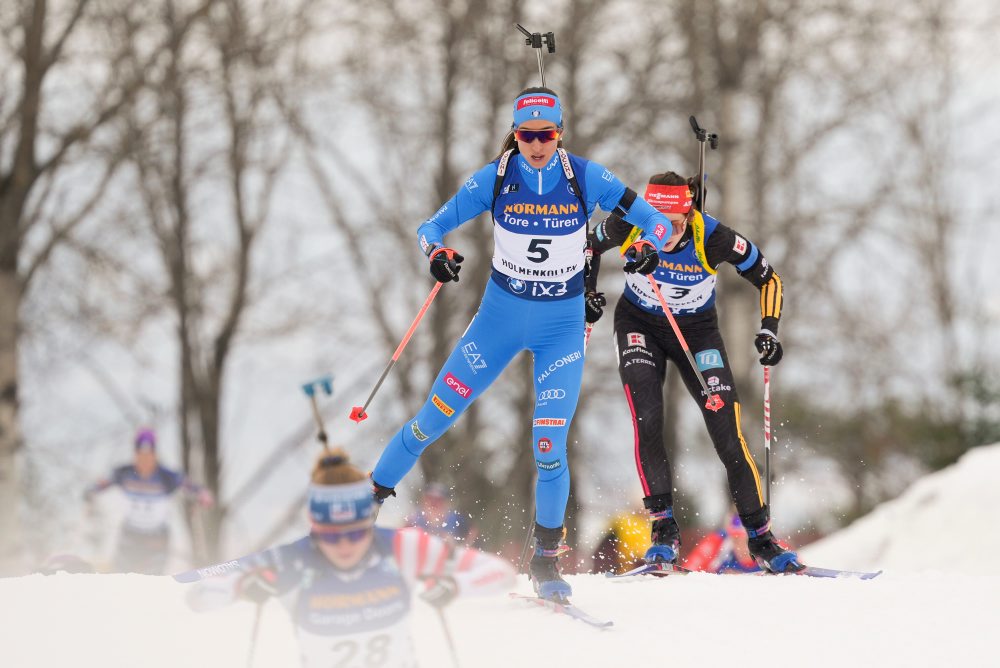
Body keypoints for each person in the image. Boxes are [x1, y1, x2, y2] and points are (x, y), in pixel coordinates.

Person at [369, 86, 679, 600]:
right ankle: (365, 508)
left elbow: (658, 221)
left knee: (548, 447)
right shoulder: (493, 178)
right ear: (515, 134)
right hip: (498, 321)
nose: (536, 143)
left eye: (546, 134)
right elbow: (431, 226)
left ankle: (546, 561)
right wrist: (437, 252)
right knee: (432, 419)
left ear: (560, 134)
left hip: (560, 329)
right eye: (527, 134)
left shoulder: (587, 177)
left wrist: (646, 244)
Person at [585, 171, 802, 573]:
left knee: (728, 434)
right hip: (640, 327)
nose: (663, 230)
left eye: (673, 222)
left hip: (697, 335)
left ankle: (761, 537)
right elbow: (587, 248)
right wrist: (589, 293)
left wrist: (769, 329)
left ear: (690, 212)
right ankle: (664, 531)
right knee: (648, 418)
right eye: (656, 220)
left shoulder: (714, 236)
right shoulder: (628, 221)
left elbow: (768, 277)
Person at [188, 449, 516, 668]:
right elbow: (200, 596)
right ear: (315, 526)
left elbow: (501, 575)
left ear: (368, 520)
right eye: (331, 534)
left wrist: (452, 587)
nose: (345, 545)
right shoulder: (294, 559)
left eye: (357, 532)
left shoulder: (401, 547)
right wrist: (245, 585)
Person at [83, 427, 214, 574]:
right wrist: (90, 492)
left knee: (152, 576)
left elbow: (188, 485)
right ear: (135, 453)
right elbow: (102, 483)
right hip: (130, 534)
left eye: (149, 454)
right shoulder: (124, 473)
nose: (144, 459)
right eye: (141, 454)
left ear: (154, 454)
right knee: (121, 574)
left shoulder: (166, 476)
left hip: (157, 536)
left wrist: (202, 494)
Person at [683, 512, 761, 574]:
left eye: (746, 540)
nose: (741, 547)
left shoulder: (769, 550)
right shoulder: (716, 542)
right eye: (736, 540)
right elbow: (686, 574)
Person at [406, 482, 478, 545]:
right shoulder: (415, 518)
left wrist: (460, 548)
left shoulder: (456, 519)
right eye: (430, 499)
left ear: (446, 503)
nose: (433, 504)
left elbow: (472, 532)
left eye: (438, 501)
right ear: (423, 500)